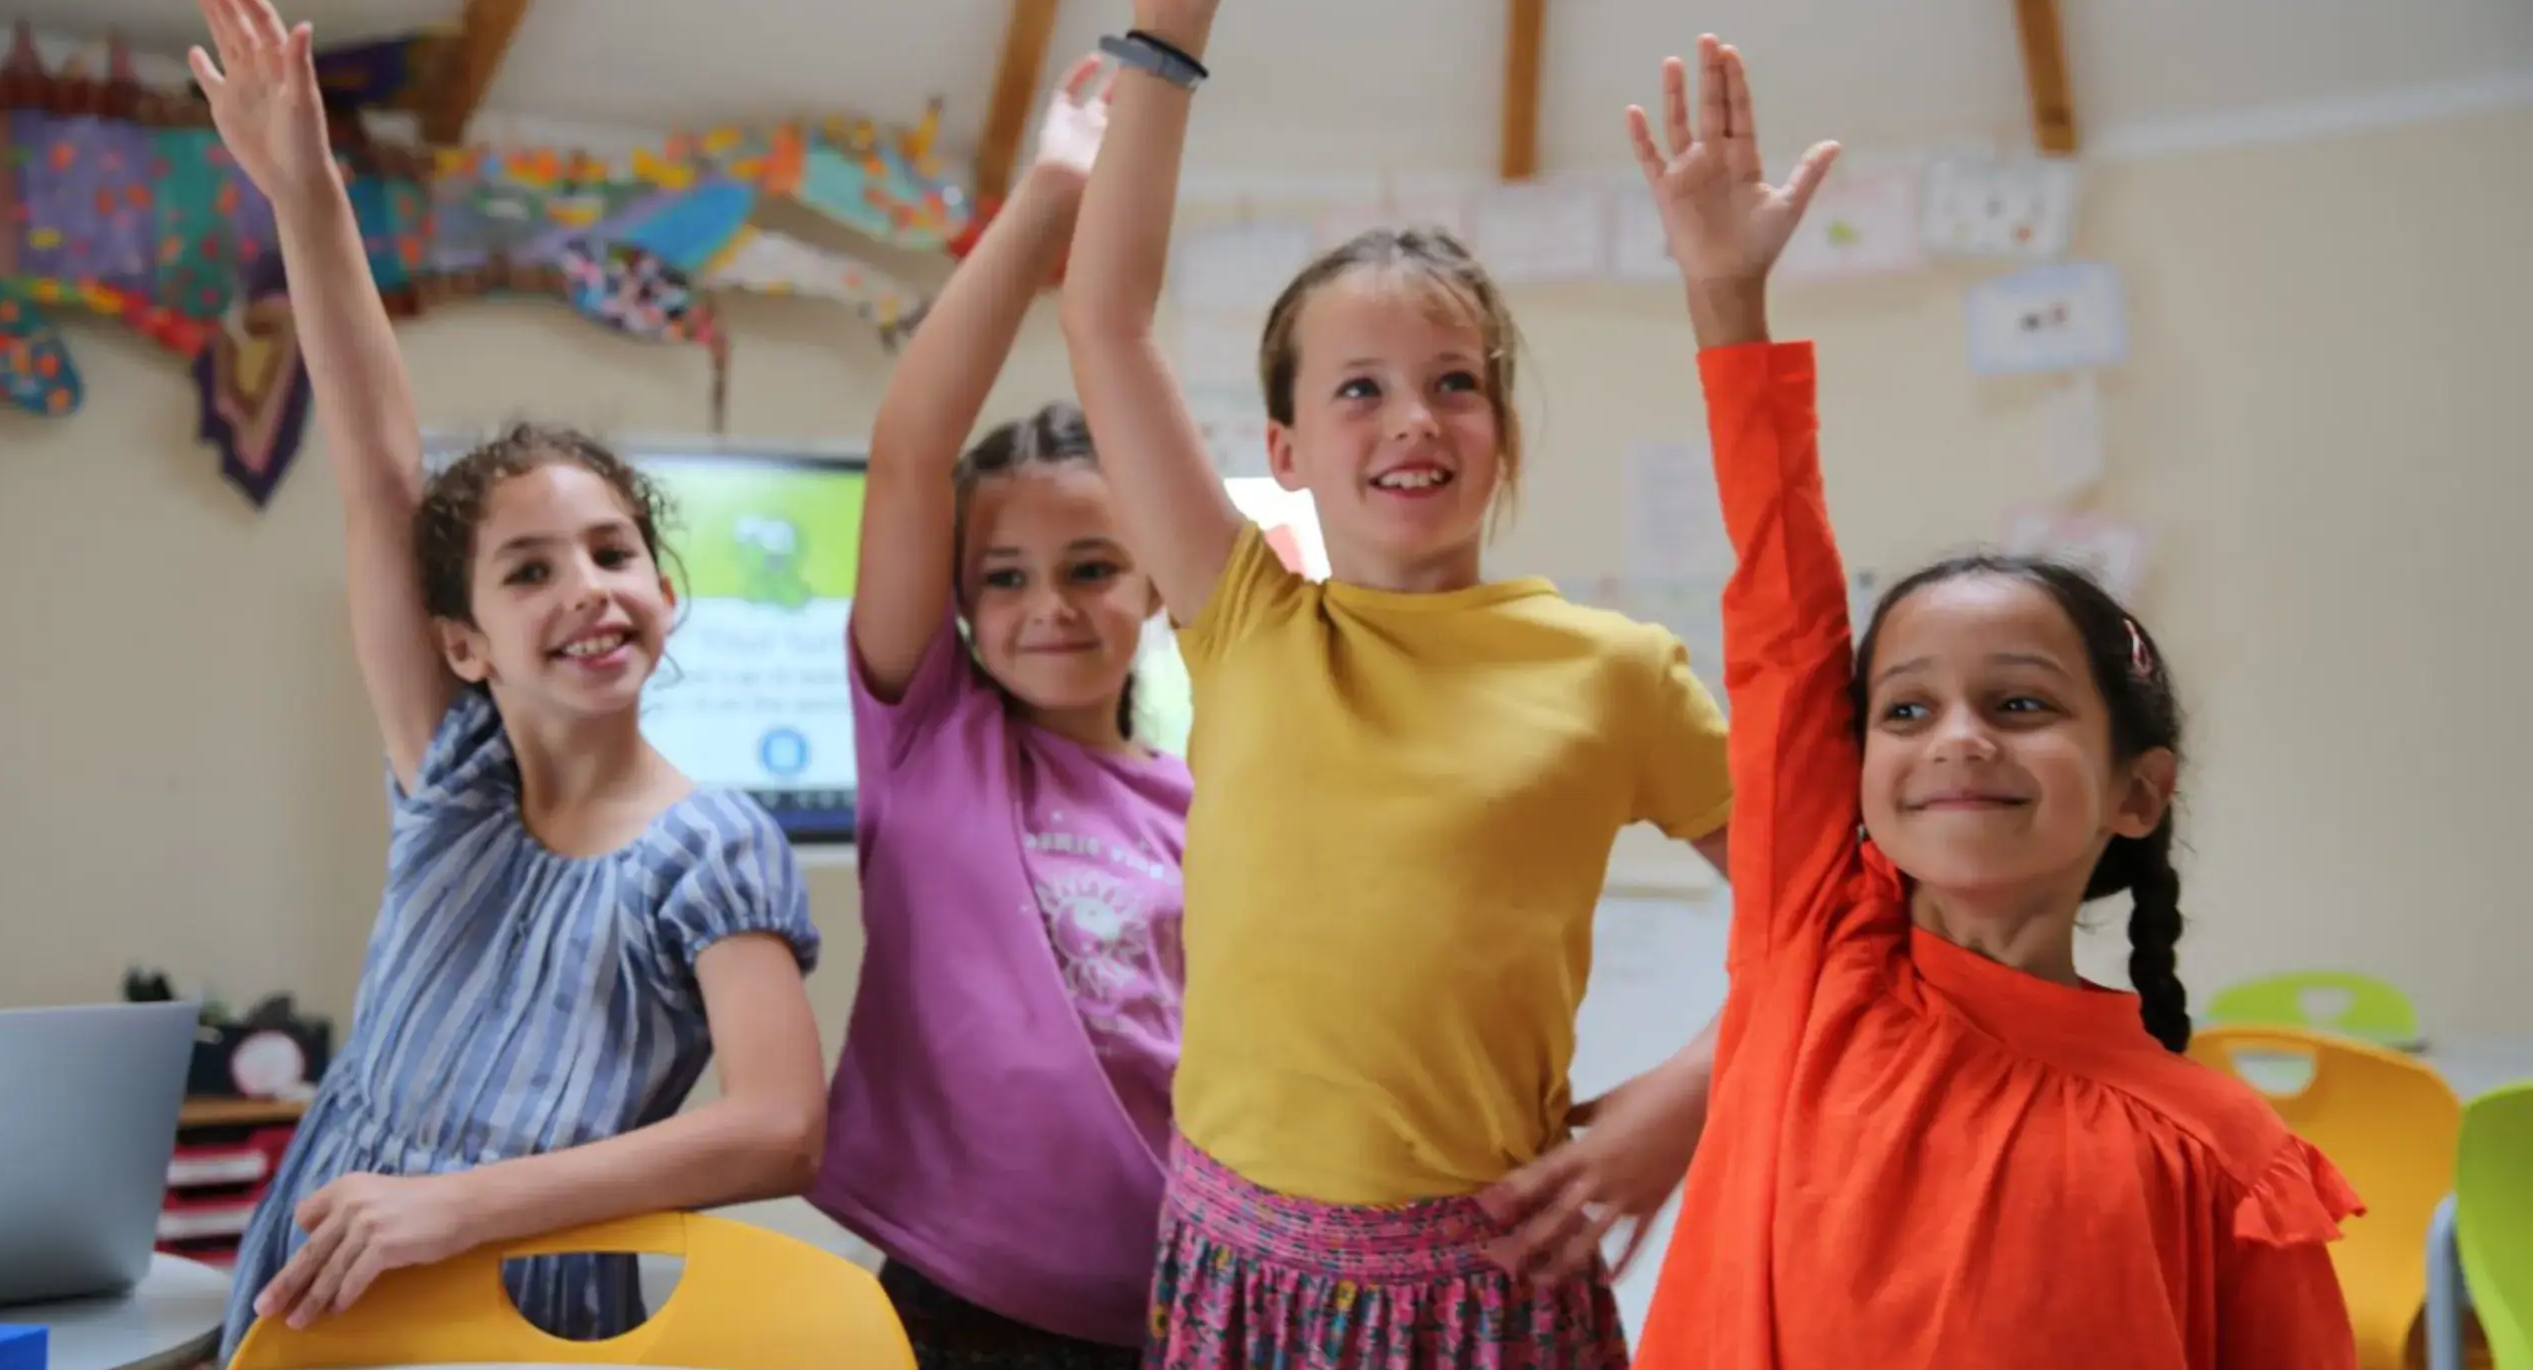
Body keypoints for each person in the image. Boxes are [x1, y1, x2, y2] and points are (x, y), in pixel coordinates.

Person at [1617, 35, 2363, 1369]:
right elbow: (1783, 622)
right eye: (1904, 710)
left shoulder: (2225, 1157)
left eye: (2019, 704)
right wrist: (1727, 294)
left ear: (2139, 787)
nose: (1956, 734)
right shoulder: (1812, 947)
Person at [1058, 4, 1738, 1363]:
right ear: (1286, 448)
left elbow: (1823, 915)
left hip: (1485, 1280)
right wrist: (1164, 39)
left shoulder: (1614, 673)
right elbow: (1104, 316)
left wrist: (1691, 1094)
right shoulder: (1244, 615)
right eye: (1359, 389)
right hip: (1230, 1269)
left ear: (1503, 436)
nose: (1415, 417)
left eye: (1455, 384)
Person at [189, 1, 825, 1358]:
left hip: (522, 1309)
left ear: (663, 590)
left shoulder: (713, 847)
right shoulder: (453, 775)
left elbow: (782, 1124)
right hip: (326, 1272)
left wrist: (459, 1206)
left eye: (612, 549)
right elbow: (375, 468)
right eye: (528, 569)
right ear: (462, 640)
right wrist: (305, 188)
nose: (588, 584)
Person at [807, 54, 1191, 1370]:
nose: (1051, 607)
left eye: (1092, 568)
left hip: (1177, 1308)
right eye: (1004, 578)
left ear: (1152, 581)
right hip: (959, 1309)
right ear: (961, 602)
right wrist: (1049, 197)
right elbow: (912, 446)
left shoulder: (1213, 800)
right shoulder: (930, 740)